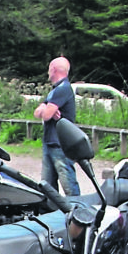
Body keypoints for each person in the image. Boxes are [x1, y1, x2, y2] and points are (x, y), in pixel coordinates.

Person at [33, 56, 79, 196]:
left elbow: (46, 115)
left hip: (60, 144)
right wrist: (47, 109)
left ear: (53, 69)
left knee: (68, 184)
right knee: (47, 186)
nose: (48, 73)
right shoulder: (55, 90)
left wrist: (46, 109)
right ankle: (52, 212)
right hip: (49, 142)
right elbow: (38, 112)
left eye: (49, 69)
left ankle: (79, 210)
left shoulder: (63, 89)